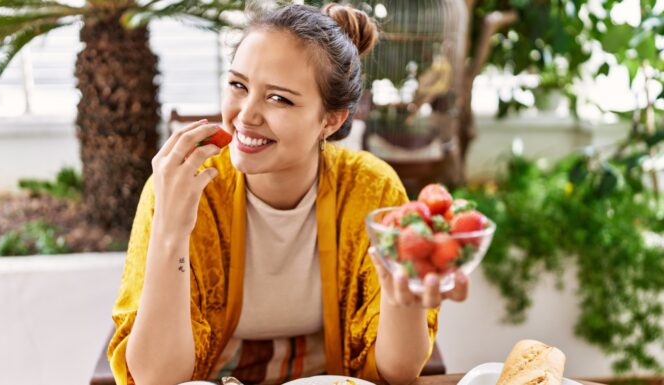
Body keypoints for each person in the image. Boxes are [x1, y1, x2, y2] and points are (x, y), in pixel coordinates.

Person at [108, 4, 469, 385]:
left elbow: (396, 372)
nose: (246, 115)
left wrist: (403, 296)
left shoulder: (372, 189)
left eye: (278, 99)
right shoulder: (183, 183)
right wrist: (170, 231)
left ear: (331, 120)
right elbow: (155, 378)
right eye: (238, 85)